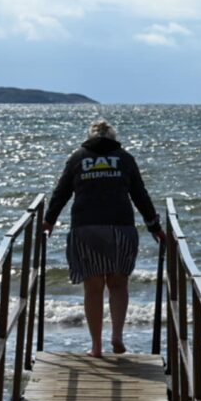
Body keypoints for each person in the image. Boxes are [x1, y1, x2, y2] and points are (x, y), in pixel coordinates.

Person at [43, 118, 165, 358]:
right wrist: (155, 227)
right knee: (118, 285)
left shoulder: (78, 157)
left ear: (89, 136)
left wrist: (49, 221)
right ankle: (117, 336)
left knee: (93, 288)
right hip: (121, 227)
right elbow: (140, 195)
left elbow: (61, 192)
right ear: (114, 137)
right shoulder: (125, 158)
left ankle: (96, 347)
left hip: (86, 228)